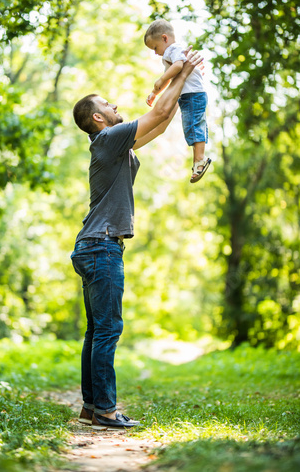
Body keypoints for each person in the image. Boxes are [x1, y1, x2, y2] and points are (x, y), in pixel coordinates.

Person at [70, 48, 203, 430]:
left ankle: (92, 406)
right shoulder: (109, 138)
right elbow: (159, 114)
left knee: (96, 330)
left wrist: (181, 86)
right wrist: (184, 71)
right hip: (102, 245)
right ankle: (106, 411)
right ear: (99, 117)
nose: (115, 105)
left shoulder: (114, 143)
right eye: (109, 104)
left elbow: (160, 124)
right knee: (107, 330)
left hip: (95, 244)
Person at [144, 19, 211, 183]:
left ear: (164, 38)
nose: (155, 52)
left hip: (193, 94)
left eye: (155, 47)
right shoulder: (171, 53)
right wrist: (155, 92)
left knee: (194, 125)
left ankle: (200, 160)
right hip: (190, 95)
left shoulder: (173, 50)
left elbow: (178, 67)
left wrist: (160, 79)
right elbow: (171, 76)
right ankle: (198, 161)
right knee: (191, 126)